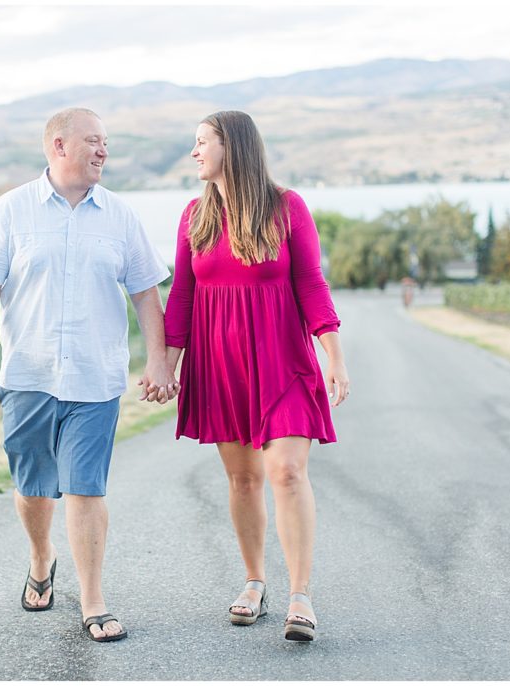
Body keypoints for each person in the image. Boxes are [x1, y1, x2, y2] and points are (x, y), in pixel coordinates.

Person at [0, 107, 176, 643]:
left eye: (106, 142)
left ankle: (94, 601)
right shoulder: (11, 211)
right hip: (28, 377)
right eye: (94, 141)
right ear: (59, 145)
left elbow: (147, 293)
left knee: (85, 489)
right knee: (34, 490)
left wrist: (157, 360)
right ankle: (41, 555)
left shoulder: (120, 217)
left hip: (95, 381)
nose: (104, 151)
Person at [163, 110, 350, 642]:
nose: (195, 152)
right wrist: (167, 365)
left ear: (234, 147)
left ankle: (300, 595)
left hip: (282, 358)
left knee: (287, 471)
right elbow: (181, 296)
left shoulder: (286, 208)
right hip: (220, 365)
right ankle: (254, 581)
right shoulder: (193, 217)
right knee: (243, 479)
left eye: (202, 142)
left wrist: (333, 355)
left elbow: (311, 284)